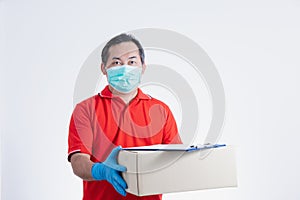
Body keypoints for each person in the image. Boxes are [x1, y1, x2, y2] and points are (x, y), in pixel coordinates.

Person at [68, 33, 182, 200]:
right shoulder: (86, 110)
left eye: (132, 62)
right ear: (103, 69)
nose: (125, 68)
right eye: (116, 63)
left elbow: (175, 160)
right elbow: (78, 162)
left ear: (143, 67)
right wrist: (101, 171)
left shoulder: (161, 110)